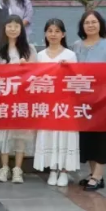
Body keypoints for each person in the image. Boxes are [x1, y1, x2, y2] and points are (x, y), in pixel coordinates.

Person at [73, 10, 106, 191]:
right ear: (82, 26)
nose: (91, 25)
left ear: (100, 24)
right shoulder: (76, 46)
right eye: (87, 22)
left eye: (94, 22)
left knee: (103, 138)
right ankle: (93, 173)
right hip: (83, 101)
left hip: (105, 100)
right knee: (88, 139)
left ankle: (98, 175)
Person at [33, 18, 79, 187]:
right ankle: (52, 169)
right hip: (47, 103)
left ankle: (64, 171)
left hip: (65, 102)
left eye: (57, 31)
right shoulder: (40, 55)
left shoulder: (70, 55)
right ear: (45, 34)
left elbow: (76, 80)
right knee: (49, 135)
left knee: (65, 136)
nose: (53, 34)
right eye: (50, 31)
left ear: (63, 34)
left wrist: (69, 69)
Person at [0, 15, 37, 184]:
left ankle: (18, 169)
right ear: (4, 29)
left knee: (20, 133)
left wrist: (27, 67)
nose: (12, 29)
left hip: (22, 97)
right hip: (3, 97)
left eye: (16, 26)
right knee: (3, 132)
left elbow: (37, 73)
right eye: (9, 26)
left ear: (21, 29)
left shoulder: (30, 49)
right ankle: (4, 167)